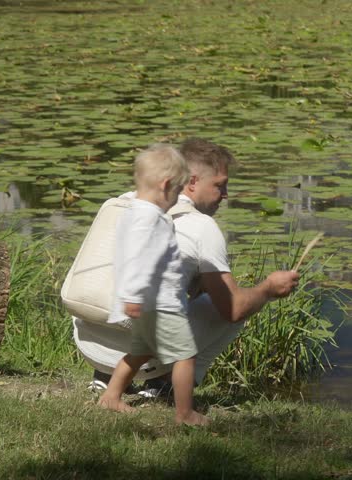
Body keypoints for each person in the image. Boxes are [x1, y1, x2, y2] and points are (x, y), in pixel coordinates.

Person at [74, 138, 299, 407]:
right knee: (233, 306)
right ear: (191, 181)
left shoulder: (121, 203)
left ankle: (106, 381)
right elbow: (234, 309)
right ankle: (168, 391)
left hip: (89, 341)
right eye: (220, 185)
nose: (226, 195)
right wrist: (268, 289)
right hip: (148, 324)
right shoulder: (202, 226)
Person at [96, 143, 208, 426]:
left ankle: (111, 396)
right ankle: (185, 413)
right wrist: (134, 295)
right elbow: (137, 257)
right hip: (160, 303)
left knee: (140, 352)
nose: (178, 198)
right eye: (178, 191)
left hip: (149, 302)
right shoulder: (148, 219)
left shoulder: (134, 211)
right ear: (166, 185)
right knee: (185, 355)